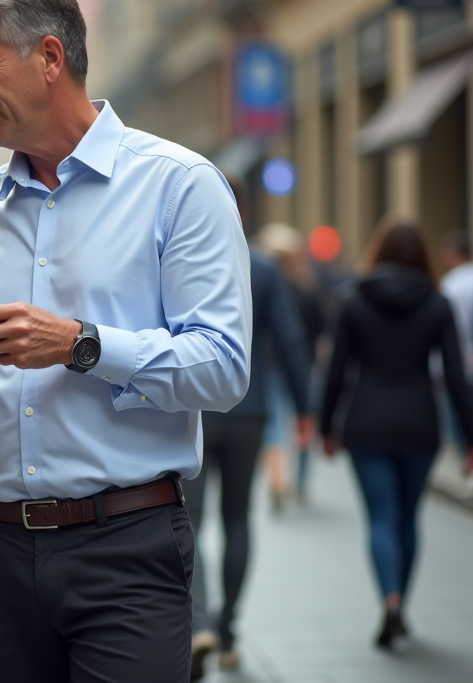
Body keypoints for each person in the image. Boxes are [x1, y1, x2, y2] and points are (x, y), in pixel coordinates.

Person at [0, 0, 251, 683]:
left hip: (127, 547)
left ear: (50, 58)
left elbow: (223, 369)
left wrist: (82, 345)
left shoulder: (180, 187)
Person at [317, 218, 473, 649]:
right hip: (420, 422)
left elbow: (337, 370)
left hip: (366, 421)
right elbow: (456, 376)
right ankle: (401, 604)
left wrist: (326, 427)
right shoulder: (437, 302)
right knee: (408, 518)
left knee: (381, 518)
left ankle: (389, 600)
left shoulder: (353, 299)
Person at [182, 195, 313, 679]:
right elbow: (291, 338)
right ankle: (230, 627)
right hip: (249, 408)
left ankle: (197, 624)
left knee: (189, 518)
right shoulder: (264, 269)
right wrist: (304, 407)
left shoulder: (183, 257)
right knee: (238, 516)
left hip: (195, 407)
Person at [257, 222, 325, 508]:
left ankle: (278, 477)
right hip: (302, 365)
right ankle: (299, 483)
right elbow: (319, 329)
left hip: (268, 366)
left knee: (273, 425)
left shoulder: (255, 287)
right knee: (303, 421)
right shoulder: (307, 293)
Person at [438, 229, 473, 448]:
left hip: (458, 358)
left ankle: (467, 455)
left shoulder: (450, 284)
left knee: (456, 412)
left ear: (455, 254)